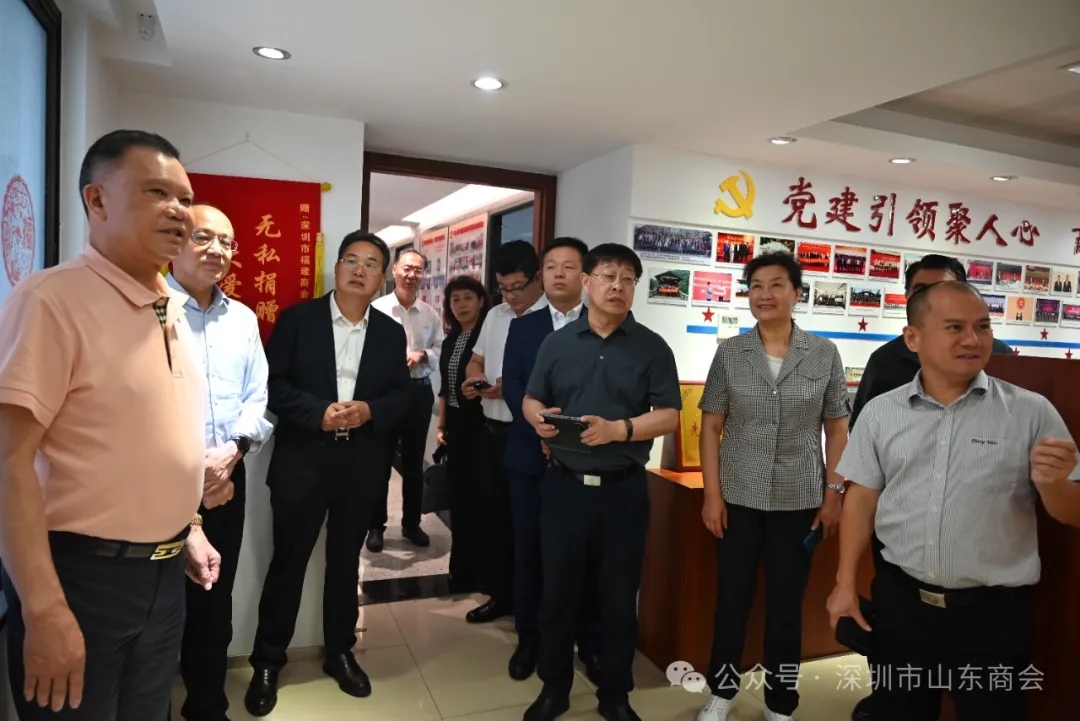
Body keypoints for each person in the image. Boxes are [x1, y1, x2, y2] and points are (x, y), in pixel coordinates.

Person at [0, 129, 219, 721]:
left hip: (164, 578)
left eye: (185, 198)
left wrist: (188, 527)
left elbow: (143, 442)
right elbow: (8, 462)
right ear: (96, 200)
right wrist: (44, 608)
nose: (179, 211)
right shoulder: (51, 300)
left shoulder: (171, 307)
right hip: (80, 580)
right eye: (157, 192)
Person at [828, 281, 1080, 721]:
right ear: (913, 338)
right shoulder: (881, 412)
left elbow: (1072, 513)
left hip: (992, 618)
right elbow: (863, 497)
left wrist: (1055, 484)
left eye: (982, 326)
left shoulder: (1031, 411)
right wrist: (845, 583)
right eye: (954, 327)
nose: (973, 339)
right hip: (902, 606)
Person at [244, 232, 410, 716]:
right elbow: (272, 385)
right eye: (351, 260)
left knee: (344, 565)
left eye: (371, 264)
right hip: (303, 461)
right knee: (288, 562)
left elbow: (402, 395)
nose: (360, 270)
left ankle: (340, 651)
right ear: (335, 269)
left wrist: (369, 411)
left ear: (382, 278)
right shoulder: (299, 320)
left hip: (360, 464)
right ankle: (268, 661)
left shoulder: (390, 332)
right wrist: (318, 412)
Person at [847, 254, 1012, 721]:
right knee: (900, 649)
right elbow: (862, 450)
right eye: (922, 291)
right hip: (902, 534)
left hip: (979, 562)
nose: (967, 338)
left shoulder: (1005, 368)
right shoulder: (886, 363)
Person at [521, 243, 681, 721]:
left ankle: (615, 694)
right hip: (564, 488)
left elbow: (670, 416)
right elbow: (531, 398)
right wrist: (538, 419)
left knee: (618, 598)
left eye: (628, 279)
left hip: (623, 491)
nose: (618, 286)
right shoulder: (558, 343)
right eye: (608, 276)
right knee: (558, 594)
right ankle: (554, 689)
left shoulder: (652, 347)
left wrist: (619, 430)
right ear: (587, 283)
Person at [696, 252, 849, 721]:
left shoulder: (823, 352)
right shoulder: (731, 352)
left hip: (799, 498)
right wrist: (712, 495)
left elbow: (837, 429)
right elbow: (710, 426)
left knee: (786, 607)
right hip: (738, 496)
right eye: (757, 285)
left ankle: (781, 702)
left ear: (797, 293)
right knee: (732, 601)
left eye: (777, 284)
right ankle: (721, 692)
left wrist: (834, 493)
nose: (765, 294)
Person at [167, 204, 274, 721]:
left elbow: (258, 398)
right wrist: (195, 469)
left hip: (230, 475)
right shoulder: (150, 308)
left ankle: (207, 705)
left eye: (227, 242)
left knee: (214, 594)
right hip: (161, 482)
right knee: (160, 602)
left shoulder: (244, 319)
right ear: (175, 241)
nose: (217, 250)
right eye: (203, 237)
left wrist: (234, 451)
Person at [502, 237, 601, 683]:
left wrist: (569, 437)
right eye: (551, 266)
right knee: (529, 552)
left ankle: (587, 640)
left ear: (586, 276)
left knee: (583, 555)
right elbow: (513, 384)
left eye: (569, 266)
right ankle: (529, 639)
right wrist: (539, 427)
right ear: (541, 275)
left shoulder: (604, 324)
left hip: (586, 461)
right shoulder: (524, 326)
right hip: (530, 458)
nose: (559, 273)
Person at [461, 240, 547, 624]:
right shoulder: (495, 315)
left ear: (537, 278)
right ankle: (501, 595)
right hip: (491, 430)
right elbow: (475, 360)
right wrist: (475, 379)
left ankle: (531, 605)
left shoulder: (551, 319)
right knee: (494, 519)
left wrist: (510, 389)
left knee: (527, 525)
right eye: (503, 288)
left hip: (528, 436)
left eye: (517, 287)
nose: (510, 296)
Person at [370, 248, 445, 551]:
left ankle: (412, 524)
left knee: (414, 463)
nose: (412, 275)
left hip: (418, 391)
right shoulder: (376, 309)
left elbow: (440, 348)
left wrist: (423, 354)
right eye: (407, 268)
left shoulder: (430, 314)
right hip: (385, 393)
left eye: (418, 270)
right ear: (394, 271)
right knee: (380, 461)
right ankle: (375, 526)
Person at [436, 275, 491, 590]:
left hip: (482, 427)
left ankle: (482, 572)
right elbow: (445, 389)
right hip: (456, 427)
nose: (461, 305)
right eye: (455, 300)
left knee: (481, 500)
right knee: (458, 499)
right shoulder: (450, 341)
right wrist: (441, 426)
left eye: (467, 298)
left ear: (481, 301)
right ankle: (461, 569)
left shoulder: (487, 337)